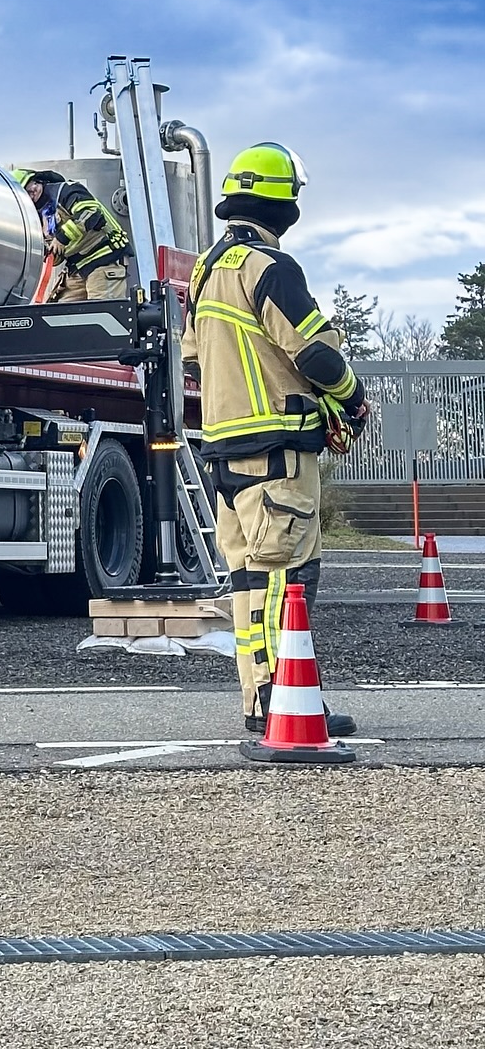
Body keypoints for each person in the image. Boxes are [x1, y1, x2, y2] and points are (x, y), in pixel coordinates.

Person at [180, 142, 370, 739]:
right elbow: (315, 351)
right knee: (287, 580)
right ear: (282, 201)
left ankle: (264, 699)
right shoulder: (271, 267)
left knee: (248, 584)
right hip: (278, 452)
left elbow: (192, 361)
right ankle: (280, 703)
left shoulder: (207, 271)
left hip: (224, 451)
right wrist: (353, 401)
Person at [12, 168, 131, 301]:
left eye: (31, 184)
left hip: (105, 258)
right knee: (60, 315)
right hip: (78, 267)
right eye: (25, 192)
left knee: (103, 311)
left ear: (39, 180)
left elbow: (91, 213)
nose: (32, 190)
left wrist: (62, 238)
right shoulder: (36, 215)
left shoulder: (66, 191)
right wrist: (50, 252)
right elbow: (57, 254)